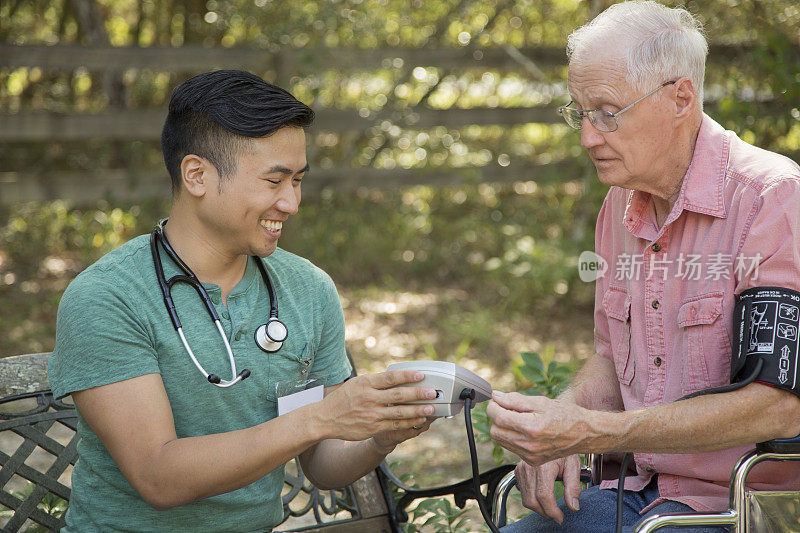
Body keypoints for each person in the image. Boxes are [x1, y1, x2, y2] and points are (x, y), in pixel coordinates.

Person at [47, 70, 437, 532]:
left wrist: (378, 438)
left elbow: (322, 464)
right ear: (197, 175)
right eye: (274, 181)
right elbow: (159, 477)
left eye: (297, 180)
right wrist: (321, 418)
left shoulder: (307, 290)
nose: (291, 203)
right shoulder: (108, 297)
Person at [486, 2, 800, 532]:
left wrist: (595, 432)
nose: (588, 137)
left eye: (607, 113)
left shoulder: (773, 199)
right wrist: (561, 420)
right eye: (579, 113)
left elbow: (777, 407)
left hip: (737, 507)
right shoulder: (619, 208)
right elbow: (611, 359)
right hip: (633, 491)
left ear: (680, 98)